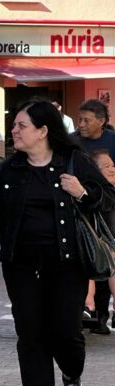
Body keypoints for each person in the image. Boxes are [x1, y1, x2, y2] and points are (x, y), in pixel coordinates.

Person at [0, 99, 115, 386]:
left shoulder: (74, 162)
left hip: (68, 265)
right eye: (15, 125)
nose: (14, 131)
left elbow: (109, 197)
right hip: (21, 267)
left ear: (43, 131)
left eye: (21, 125)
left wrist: (82, 192)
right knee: (31, 334)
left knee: (66, 332)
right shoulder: (7, 172)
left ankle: (71, 375)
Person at [74, 98, 115, 333]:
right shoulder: (71, 141)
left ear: (101, 122)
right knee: (88, 255)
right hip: (81, 207)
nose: (81, 124)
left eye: (86, 120)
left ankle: (101, 313)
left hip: (108, 208)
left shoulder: (112, 141)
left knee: (108, 256)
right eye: (79, 119)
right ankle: (88, 309)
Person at [87, 148, 115, 332]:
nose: (112, 169)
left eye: (112, 164)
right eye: (106, 166)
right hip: (94, 243)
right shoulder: (93, 191)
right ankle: (89, 308)